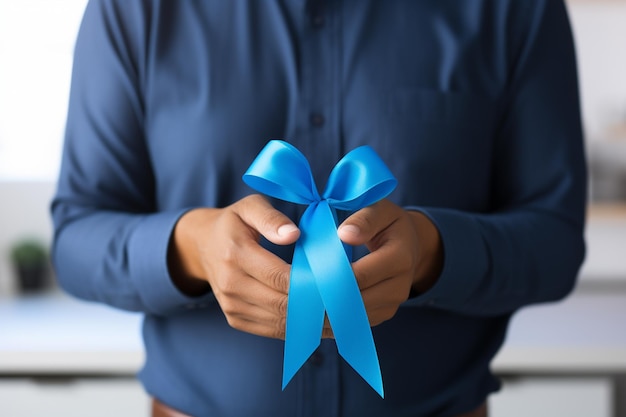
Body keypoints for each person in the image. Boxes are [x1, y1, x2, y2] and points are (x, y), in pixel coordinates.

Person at [51, 0, 587, 416]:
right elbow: (77, 237)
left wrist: (431, 252)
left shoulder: (516, 9)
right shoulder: (133, 10)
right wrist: (193, 248)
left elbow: (555, 242)